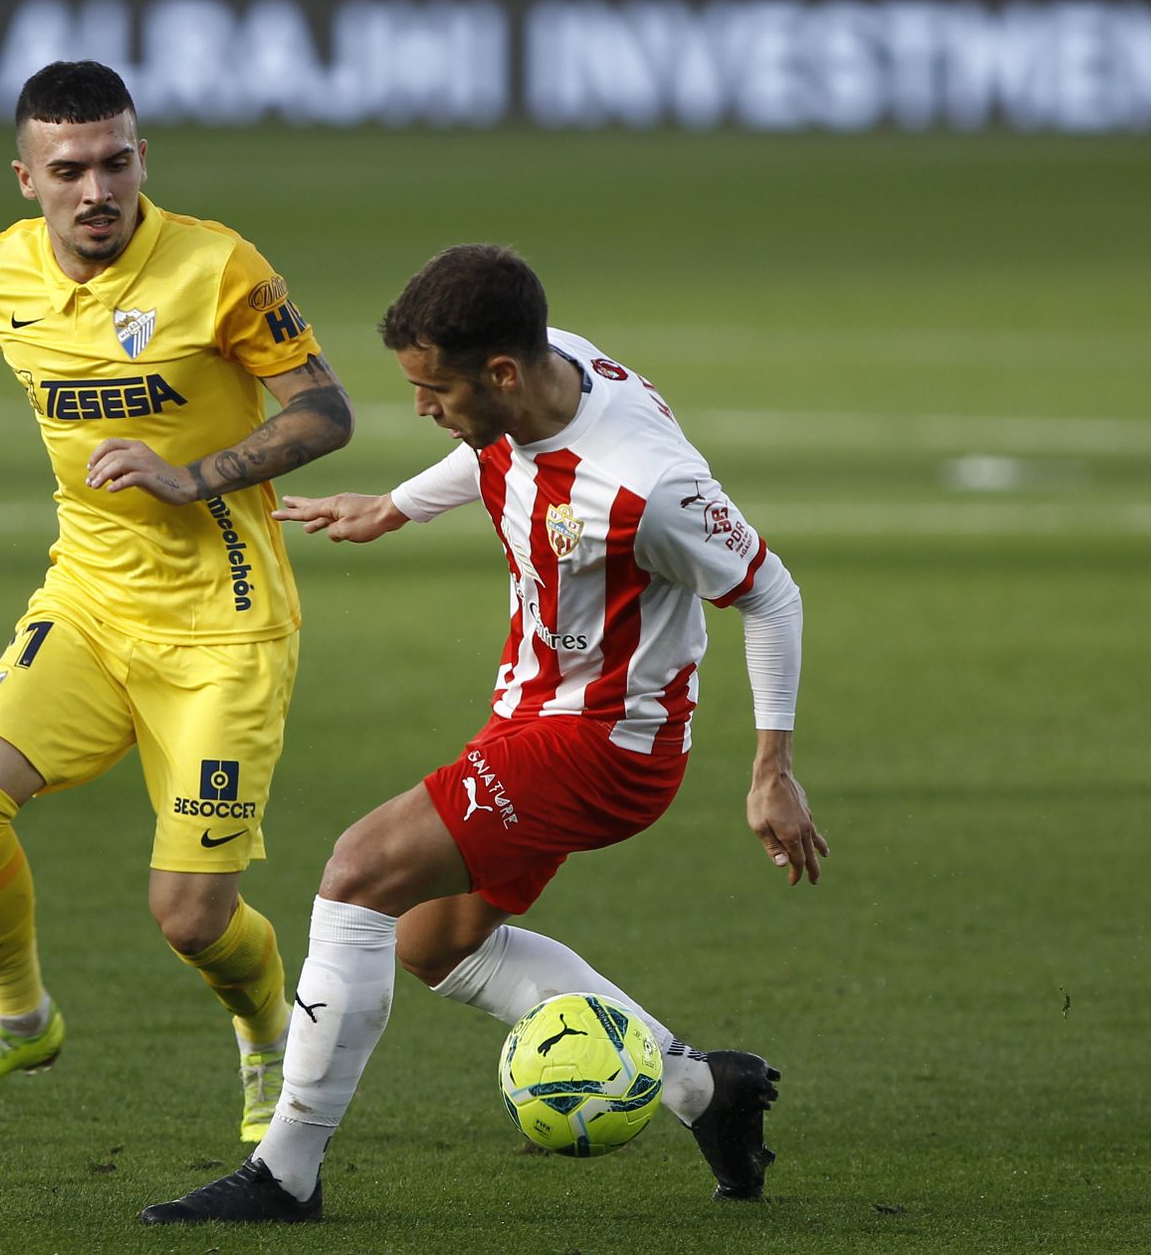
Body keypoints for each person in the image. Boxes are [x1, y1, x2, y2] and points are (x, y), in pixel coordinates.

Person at [140, 244, 826, 1225]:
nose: (422, 407)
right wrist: (394, 506)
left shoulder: (645, 483)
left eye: (433, 389)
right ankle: (702, 1091)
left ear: (502, 372)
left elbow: (771, 592)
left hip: (602, 741)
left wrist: (772, 770)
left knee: (357, 869)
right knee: (433, 941)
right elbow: (485, 449)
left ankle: (282, 1172)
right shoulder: (544, 375)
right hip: (533, 711)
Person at [0, 60, 353, 1142]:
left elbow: (327, 413)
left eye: (116, 161)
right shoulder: (3, 270)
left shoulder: (218, 268)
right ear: (25, 176)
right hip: (85, 604)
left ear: (142, 158)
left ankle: (267, 1036)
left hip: (224, 627)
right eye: (69, 168)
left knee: (191, 919)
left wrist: (194, 474)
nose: (96, 189)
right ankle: (18, 1015)